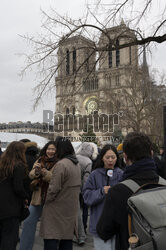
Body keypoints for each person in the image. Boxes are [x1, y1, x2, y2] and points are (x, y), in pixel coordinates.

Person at [96, 132, 159, 250]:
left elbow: (103, 231)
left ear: (125, 157)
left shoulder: (118, 192)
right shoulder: (163, 183)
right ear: (151, 153)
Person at [40, 137, 81, 250]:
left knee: (51, 238)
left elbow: (53, 189)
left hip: (56, 209)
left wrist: (46, 201)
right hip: (69, 208)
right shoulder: (76, 164)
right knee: (66, 240)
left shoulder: (61, 165)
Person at [82, 144, 123, 250]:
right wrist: (101, 191)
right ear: (102, 158)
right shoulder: (94, 174)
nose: (110, 160)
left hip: (117, 225)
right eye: (107, 157)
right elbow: (86, 196)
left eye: (113, 157)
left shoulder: (121, 174)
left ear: (117, 158)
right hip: (99, 223)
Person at [19, 140, 58, 250]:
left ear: (56, 151)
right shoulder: (40, 159)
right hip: (37, 197)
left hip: (51, 199)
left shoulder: (59, 162)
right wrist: (36, 171)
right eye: (48, 149)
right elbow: (31, 175)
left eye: (53, 149)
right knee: (27, 222)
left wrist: (44, 173)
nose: (50, 151)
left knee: (49, 228)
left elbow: (55, 180)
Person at [0, 141, 29, 250]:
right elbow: (18, 187)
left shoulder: (2, 163)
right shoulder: (19, 166)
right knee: (9, 240)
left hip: (1, 206)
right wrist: (25, 196)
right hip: (11, 208)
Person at [75, 142, 98, 244]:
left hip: (73, 187)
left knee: (75, 209)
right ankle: (83, 228)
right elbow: (86, 178)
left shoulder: (75, 158)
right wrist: (86, 191)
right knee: (84, 209)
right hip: (82, 188)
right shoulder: (88, 161)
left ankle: (75, 229)